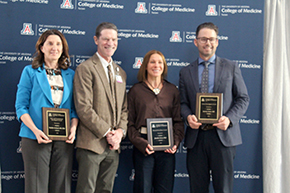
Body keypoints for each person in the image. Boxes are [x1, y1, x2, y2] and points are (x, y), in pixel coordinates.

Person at [179, 22, 250, 193]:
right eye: (203, 39)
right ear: (196, 42)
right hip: (197, 138)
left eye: (211, 39)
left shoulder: (231, 67)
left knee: (223, 189)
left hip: (223, 137)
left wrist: (230, 119)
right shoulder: (185, 72)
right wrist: (188, 117)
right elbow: (182, 103)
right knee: (197, 188)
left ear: (217, 42)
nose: (207, 43)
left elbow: (243, 98)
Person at [15, 29, 79, 193]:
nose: (54, 48)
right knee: (36, 187)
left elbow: (74, 109)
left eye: (58, 44)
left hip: (63, 138)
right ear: (41, 47)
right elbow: (21, 107)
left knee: (61, 186)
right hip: (35, 137)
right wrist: (36, 131)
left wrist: (73, 129)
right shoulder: (30, 72)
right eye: (50, 43)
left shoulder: (71, 75)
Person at [73, 22, 128, 193]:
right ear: (96, 40)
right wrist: (107, 132)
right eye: (105, 39)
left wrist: (119, 133)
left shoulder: (121, 72)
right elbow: (83, 107)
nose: (110, 43)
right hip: (91, 144)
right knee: (86, 190)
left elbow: (124, 109)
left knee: (106, 189)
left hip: (113, 146)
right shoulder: (86, 68)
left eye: (114, 39)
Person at [128, 50, 184, 193]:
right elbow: (129, 123)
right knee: (143, 189)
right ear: (145, 66)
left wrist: (175, 143)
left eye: (160, 62)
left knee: (164, 189)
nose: (156, 65)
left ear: (164, 66)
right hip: (144, 146)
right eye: (152, 62)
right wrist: (140, 143)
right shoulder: (136, 90)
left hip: (167, 147)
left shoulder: (172, 91)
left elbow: (178, 121)